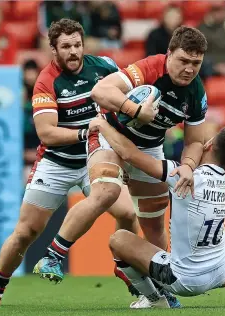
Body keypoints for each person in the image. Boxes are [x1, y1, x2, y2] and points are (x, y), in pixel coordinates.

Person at [33, 26, 207, 308]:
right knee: (106, 192)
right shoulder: (149, 68)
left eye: (195, 64)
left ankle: (156, 291)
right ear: (169, 55)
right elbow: (100, 91)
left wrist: (188, 164)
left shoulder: (196, 94)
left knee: (154, 227)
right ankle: (53, 255)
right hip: (109, 137)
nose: (188, 69)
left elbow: (195, 141)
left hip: (148, 149)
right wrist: (136, 110)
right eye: (183, 61)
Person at [0, 18, 138, 307]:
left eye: (77, 44)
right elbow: (47, 133)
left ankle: (123, 265)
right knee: (26, 232)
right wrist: (85, 130)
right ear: (53, 49)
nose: (73, 51)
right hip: (56, 163)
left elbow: (131, 96)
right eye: (66, 46)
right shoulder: (45, 81)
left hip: (95, 158)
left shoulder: (104, 67)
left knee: (127, 213)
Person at [90, 116, 225, 308]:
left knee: (118, 240)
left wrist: (102, 125)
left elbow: (130, 154)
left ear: (209, 144)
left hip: (182, 279)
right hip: (220, 270)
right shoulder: (223, 179)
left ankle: (155, 299)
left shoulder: (183, 176)